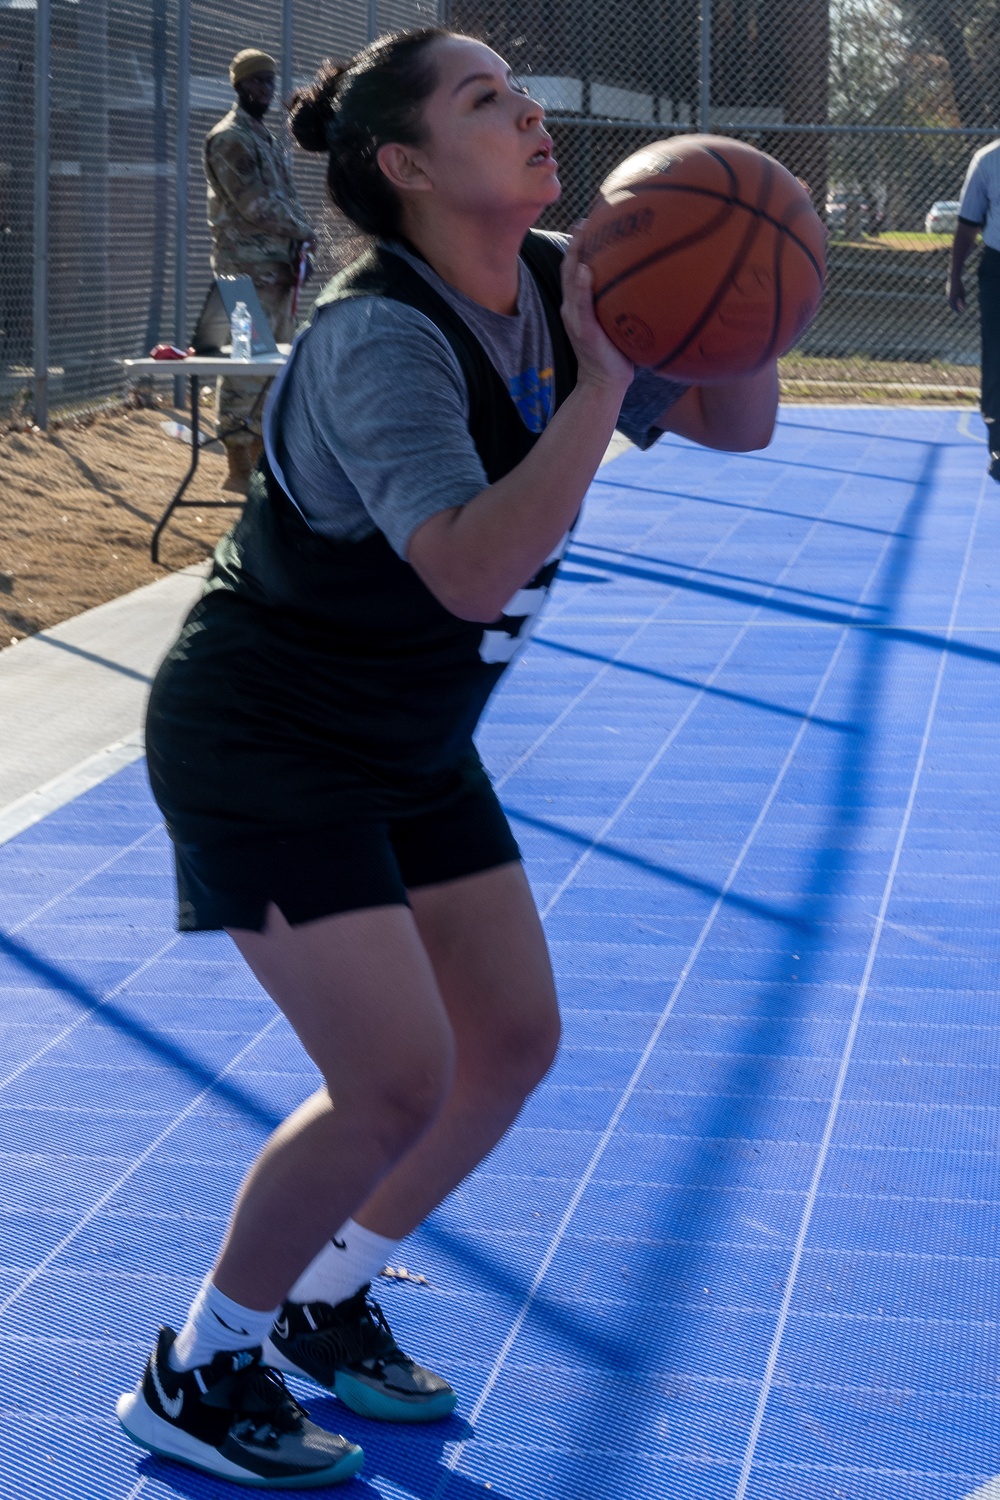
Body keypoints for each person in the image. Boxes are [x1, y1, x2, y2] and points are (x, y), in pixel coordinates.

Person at [116, 27, 781, 1489]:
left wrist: (754, 280)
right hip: (267, 738)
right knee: (396, 1081)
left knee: (514, 1042)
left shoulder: (569, 277)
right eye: (487, 98)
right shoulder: (380, 339)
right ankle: (201, 1363)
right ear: (408, 165)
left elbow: (737, 426)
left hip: (409, 738)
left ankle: (327, 1292)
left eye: (520, 87)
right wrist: (604, 384)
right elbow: (472, 572)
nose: (529, 109)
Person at [204, 48, 315, 493]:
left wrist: (299, 239)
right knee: (246, 363)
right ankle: (236, 466)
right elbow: (254, 205)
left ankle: (260, 462)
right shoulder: (231, 138)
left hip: (275, 272)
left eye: (269, 82)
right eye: (256, 82)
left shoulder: (262, 138)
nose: (264, 90)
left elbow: (283, 200)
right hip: (244, 273)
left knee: (272, 367)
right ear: (238, 85)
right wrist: (303, 229)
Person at [949, 138, 1000, 480]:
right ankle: (999, 446)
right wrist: (954, 276)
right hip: (998, 269)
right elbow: (968, 223)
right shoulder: (987, 160)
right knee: (997, 358)